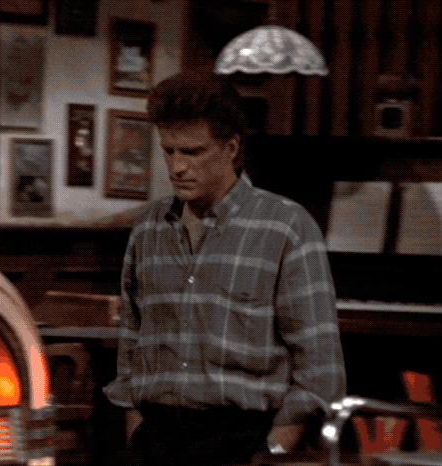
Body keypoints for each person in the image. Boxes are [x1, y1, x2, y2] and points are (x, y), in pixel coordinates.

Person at [103, 72, 346, 466]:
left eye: (192, 152)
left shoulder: (285, 226)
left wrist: (273, 451)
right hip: (156, 438)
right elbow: (131, 339)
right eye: (169, 151)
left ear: (231, 147)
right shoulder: (149, 227)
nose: (177, 167)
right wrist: (136, 428)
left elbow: (320, 366)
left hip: (243, 439)